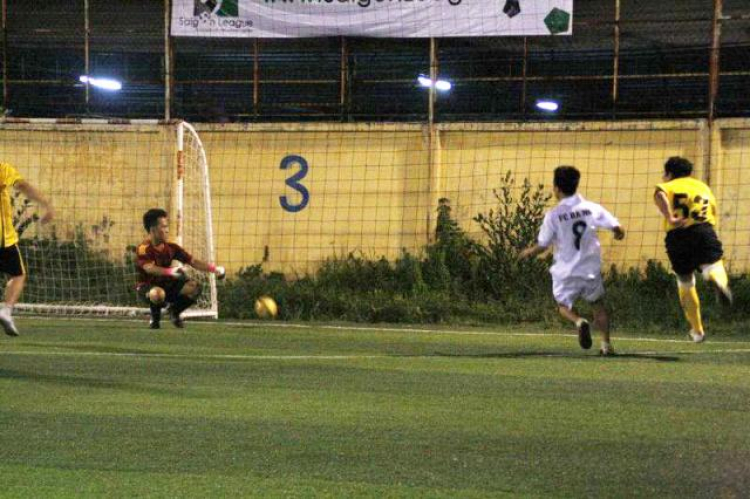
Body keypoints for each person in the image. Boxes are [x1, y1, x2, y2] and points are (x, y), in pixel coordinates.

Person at [520, 166, 625, 356]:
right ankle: (606, 345)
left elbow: (543, 245)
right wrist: (618, 232)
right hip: (589, 268)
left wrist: (528, 252)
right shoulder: (591, 208)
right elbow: (617, 227)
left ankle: (578, 321)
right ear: (576, 185)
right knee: (597, 305)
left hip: (565, 270)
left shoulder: (553, 215)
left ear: (556, 189)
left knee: (563, 306)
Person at [653, 156, 732, 343]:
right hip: (703, 230)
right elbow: (712, 212)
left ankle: (697, 331)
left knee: (685, 281)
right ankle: (717, 281)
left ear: (670, 173)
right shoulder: (703, 187)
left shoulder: (670, 185)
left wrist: (670, 217)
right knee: (713, 265)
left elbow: (659, 194)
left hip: (676, 236)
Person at [136, 208, 225, 329]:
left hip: (167, 286)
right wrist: (171, 271)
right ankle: (155, 320)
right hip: (147, 287)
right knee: (157, 293)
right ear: (153, 230)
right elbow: (149, 268)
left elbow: (193, 261)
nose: (167, 230)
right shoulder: (144, 248)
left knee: (194, 287)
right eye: (164, 227)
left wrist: (214, 269)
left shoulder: (172, 248)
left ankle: (175, 311)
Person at [0, 162, 54, 336]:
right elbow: (22, 185)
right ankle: (6, 310)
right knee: (18, 275)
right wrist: (46, 203)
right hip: (3, 240)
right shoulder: (2, 169)